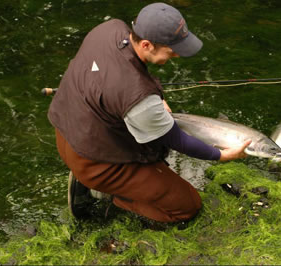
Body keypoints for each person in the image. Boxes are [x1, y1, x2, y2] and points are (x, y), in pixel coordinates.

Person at [48, 2, 251, 223]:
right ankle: (107, 194)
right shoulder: (138, 97)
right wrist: (221, 155)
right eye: (173, 50)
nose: (177, 56)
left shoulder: (109, 29)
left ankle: (99, 180)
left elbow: (117, 82)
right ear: (146, 44)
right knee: (188, 206)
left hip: (67, 132)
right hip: (95, 163)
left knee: (154, 145)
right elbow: (177, 139)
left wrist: (154, 100)